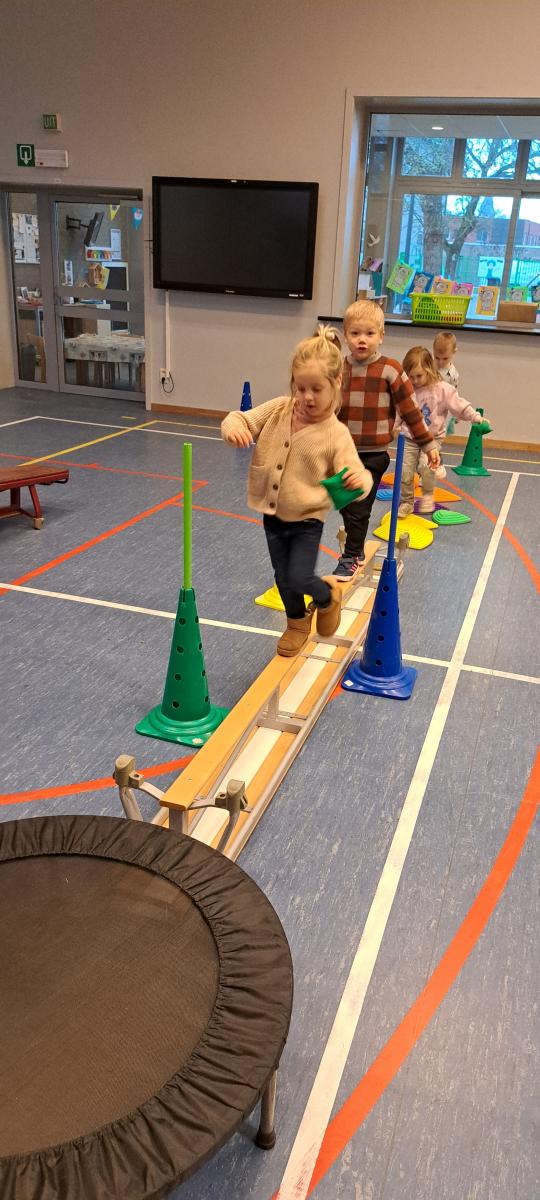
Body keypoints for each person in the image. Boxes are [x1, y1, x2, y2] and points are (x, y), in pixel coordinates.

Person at [221, 327, 373, 657]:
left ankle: (326, 597)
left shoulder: (335, 433)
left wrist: (357, 481)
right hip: (273, 515)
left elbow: (359, 475)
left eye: (316, 389)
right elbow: (242, 418)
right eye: (300, 388)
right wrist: (233, 426)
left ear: (336, 384)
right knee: (282, 576)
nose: (307, 397)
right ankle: (296, 623)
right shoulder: (279, 409)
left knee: (300, 575)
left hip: (307, 520)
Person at [334, 300, 440, 578]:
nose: (362, 340)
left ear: (381, 336)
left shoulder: (390, 369)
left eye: (369, 333)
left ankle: (350, 556)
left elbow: (411, 410)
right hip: (341, 452)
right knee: (345, 504)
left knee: (359, 504)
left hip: (373, 453)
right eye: (355, 333)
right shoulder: (338, 369)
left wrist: (428, 444)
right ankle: (356, 548)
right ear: (345, 335)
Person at [398, 346, 488, 516]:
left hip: (433, 438)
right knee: (405, 472)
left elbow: (459, 405)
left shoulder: (442, 390)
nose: (415, 381)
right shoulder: (407, 390)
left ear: (429, 370)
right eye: (411, 376)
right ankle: (407, 502)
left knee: (425, 466)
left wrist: (475, 417)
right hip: (410, 437)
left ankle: (427, 495)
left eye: (419, 376)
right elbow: (398, 411)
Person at [433, 331, 459, 435]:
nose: (440, 362)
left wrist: (457, 412)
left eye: (445, 358)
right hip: (427, 405)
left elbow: (454, 395)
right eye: (437, 358)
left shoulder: (453, 374)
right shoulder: (429, 367)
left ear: (454, 352)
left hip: (442, 409)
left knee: (438, 434)